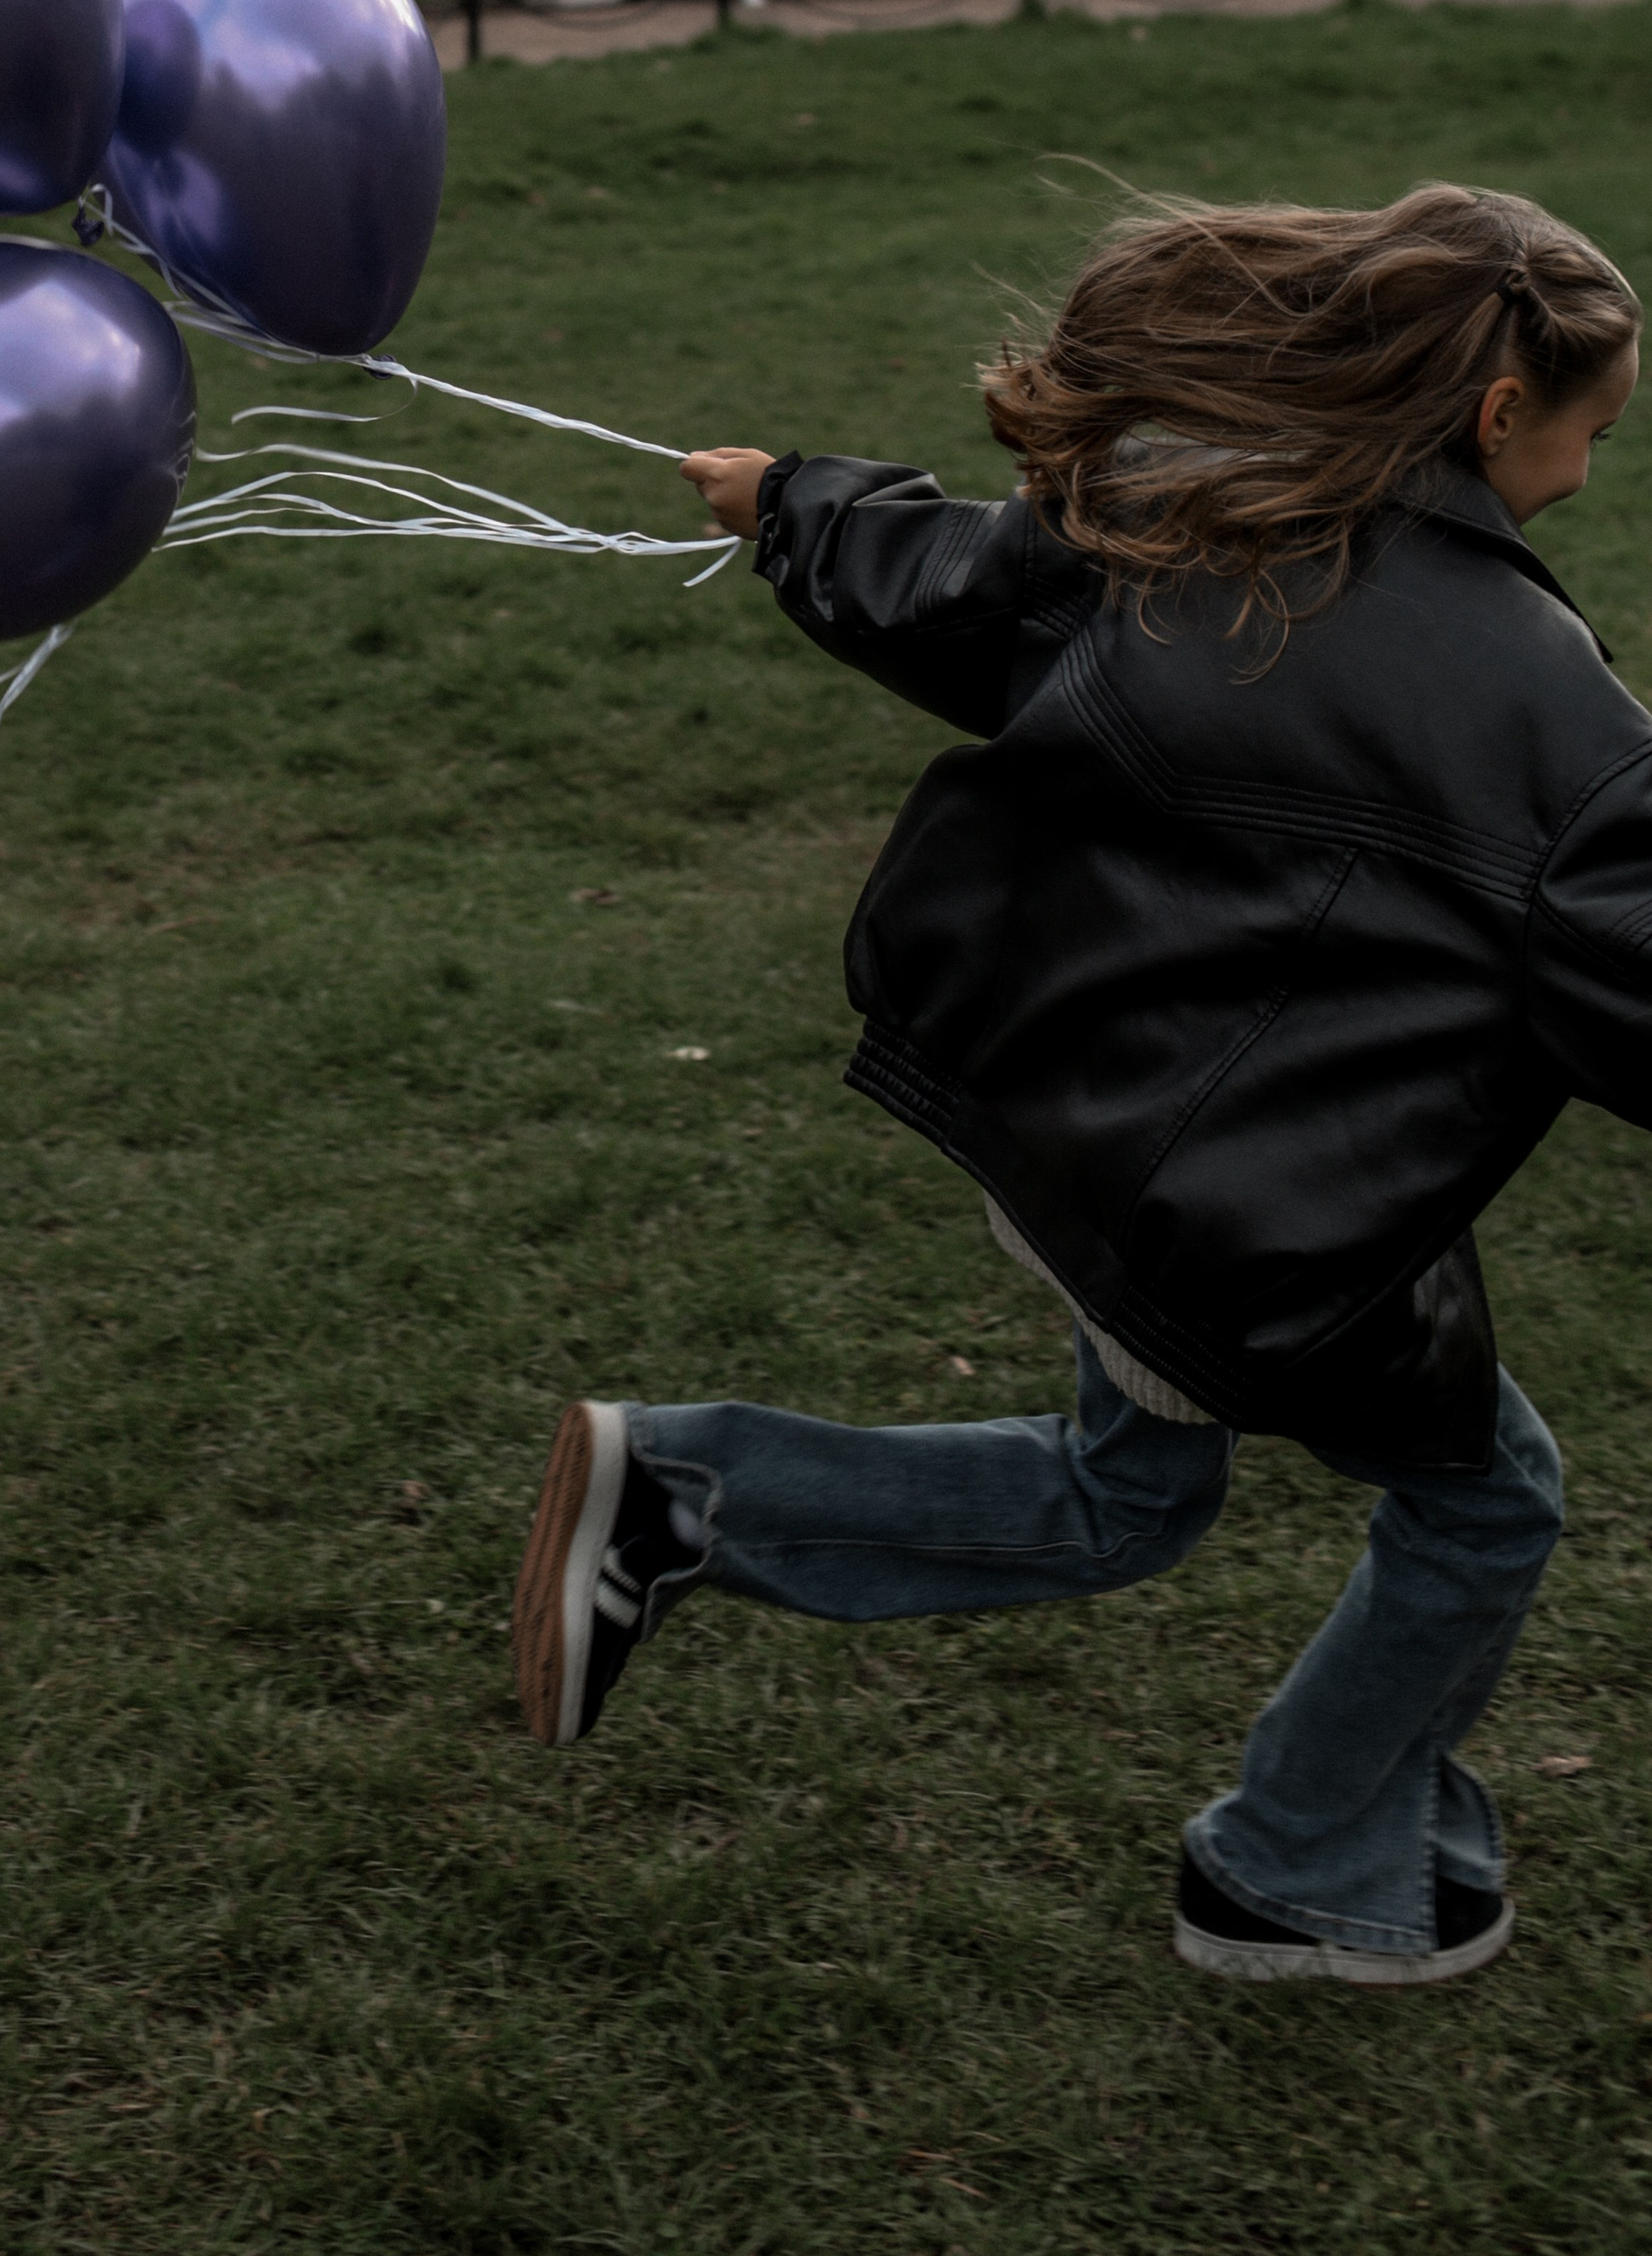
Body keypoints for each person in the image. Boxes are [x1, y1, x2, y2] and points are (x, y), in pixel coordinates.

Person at [512, 181, 1649, 1988]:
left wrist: (786, 498)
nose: (1590, 473)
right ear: (1500, 413)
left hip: (1068, 1129)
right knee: (1464, 1500)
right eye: (1593, 428)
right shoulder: (1552, 721)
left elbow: (956, 579)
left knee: (1140, 1479)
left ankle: (687, 1496)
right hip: (1220, 1210)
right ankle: (1288, 1864)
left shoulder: (1201, 514)